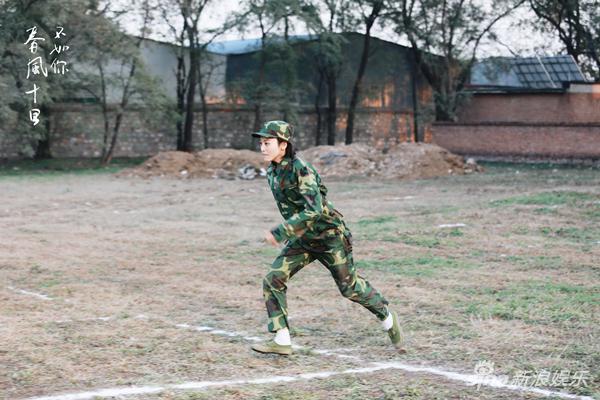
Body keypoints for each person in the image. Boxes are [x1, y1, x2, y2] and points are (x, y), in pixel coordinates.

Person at [250, 120, 404, 356]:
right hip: (303, 239)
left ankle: (386, 315)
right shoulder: (273, 170)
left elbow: (315, 210)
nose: (262, 147)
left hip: (330, 237)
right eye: (261, 143)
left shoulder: (301, 169)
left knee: (349, 288)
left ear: (283, 145)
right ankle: (281, 339)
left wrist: (280, 232)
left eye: (267, 143)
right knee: (273, 279)